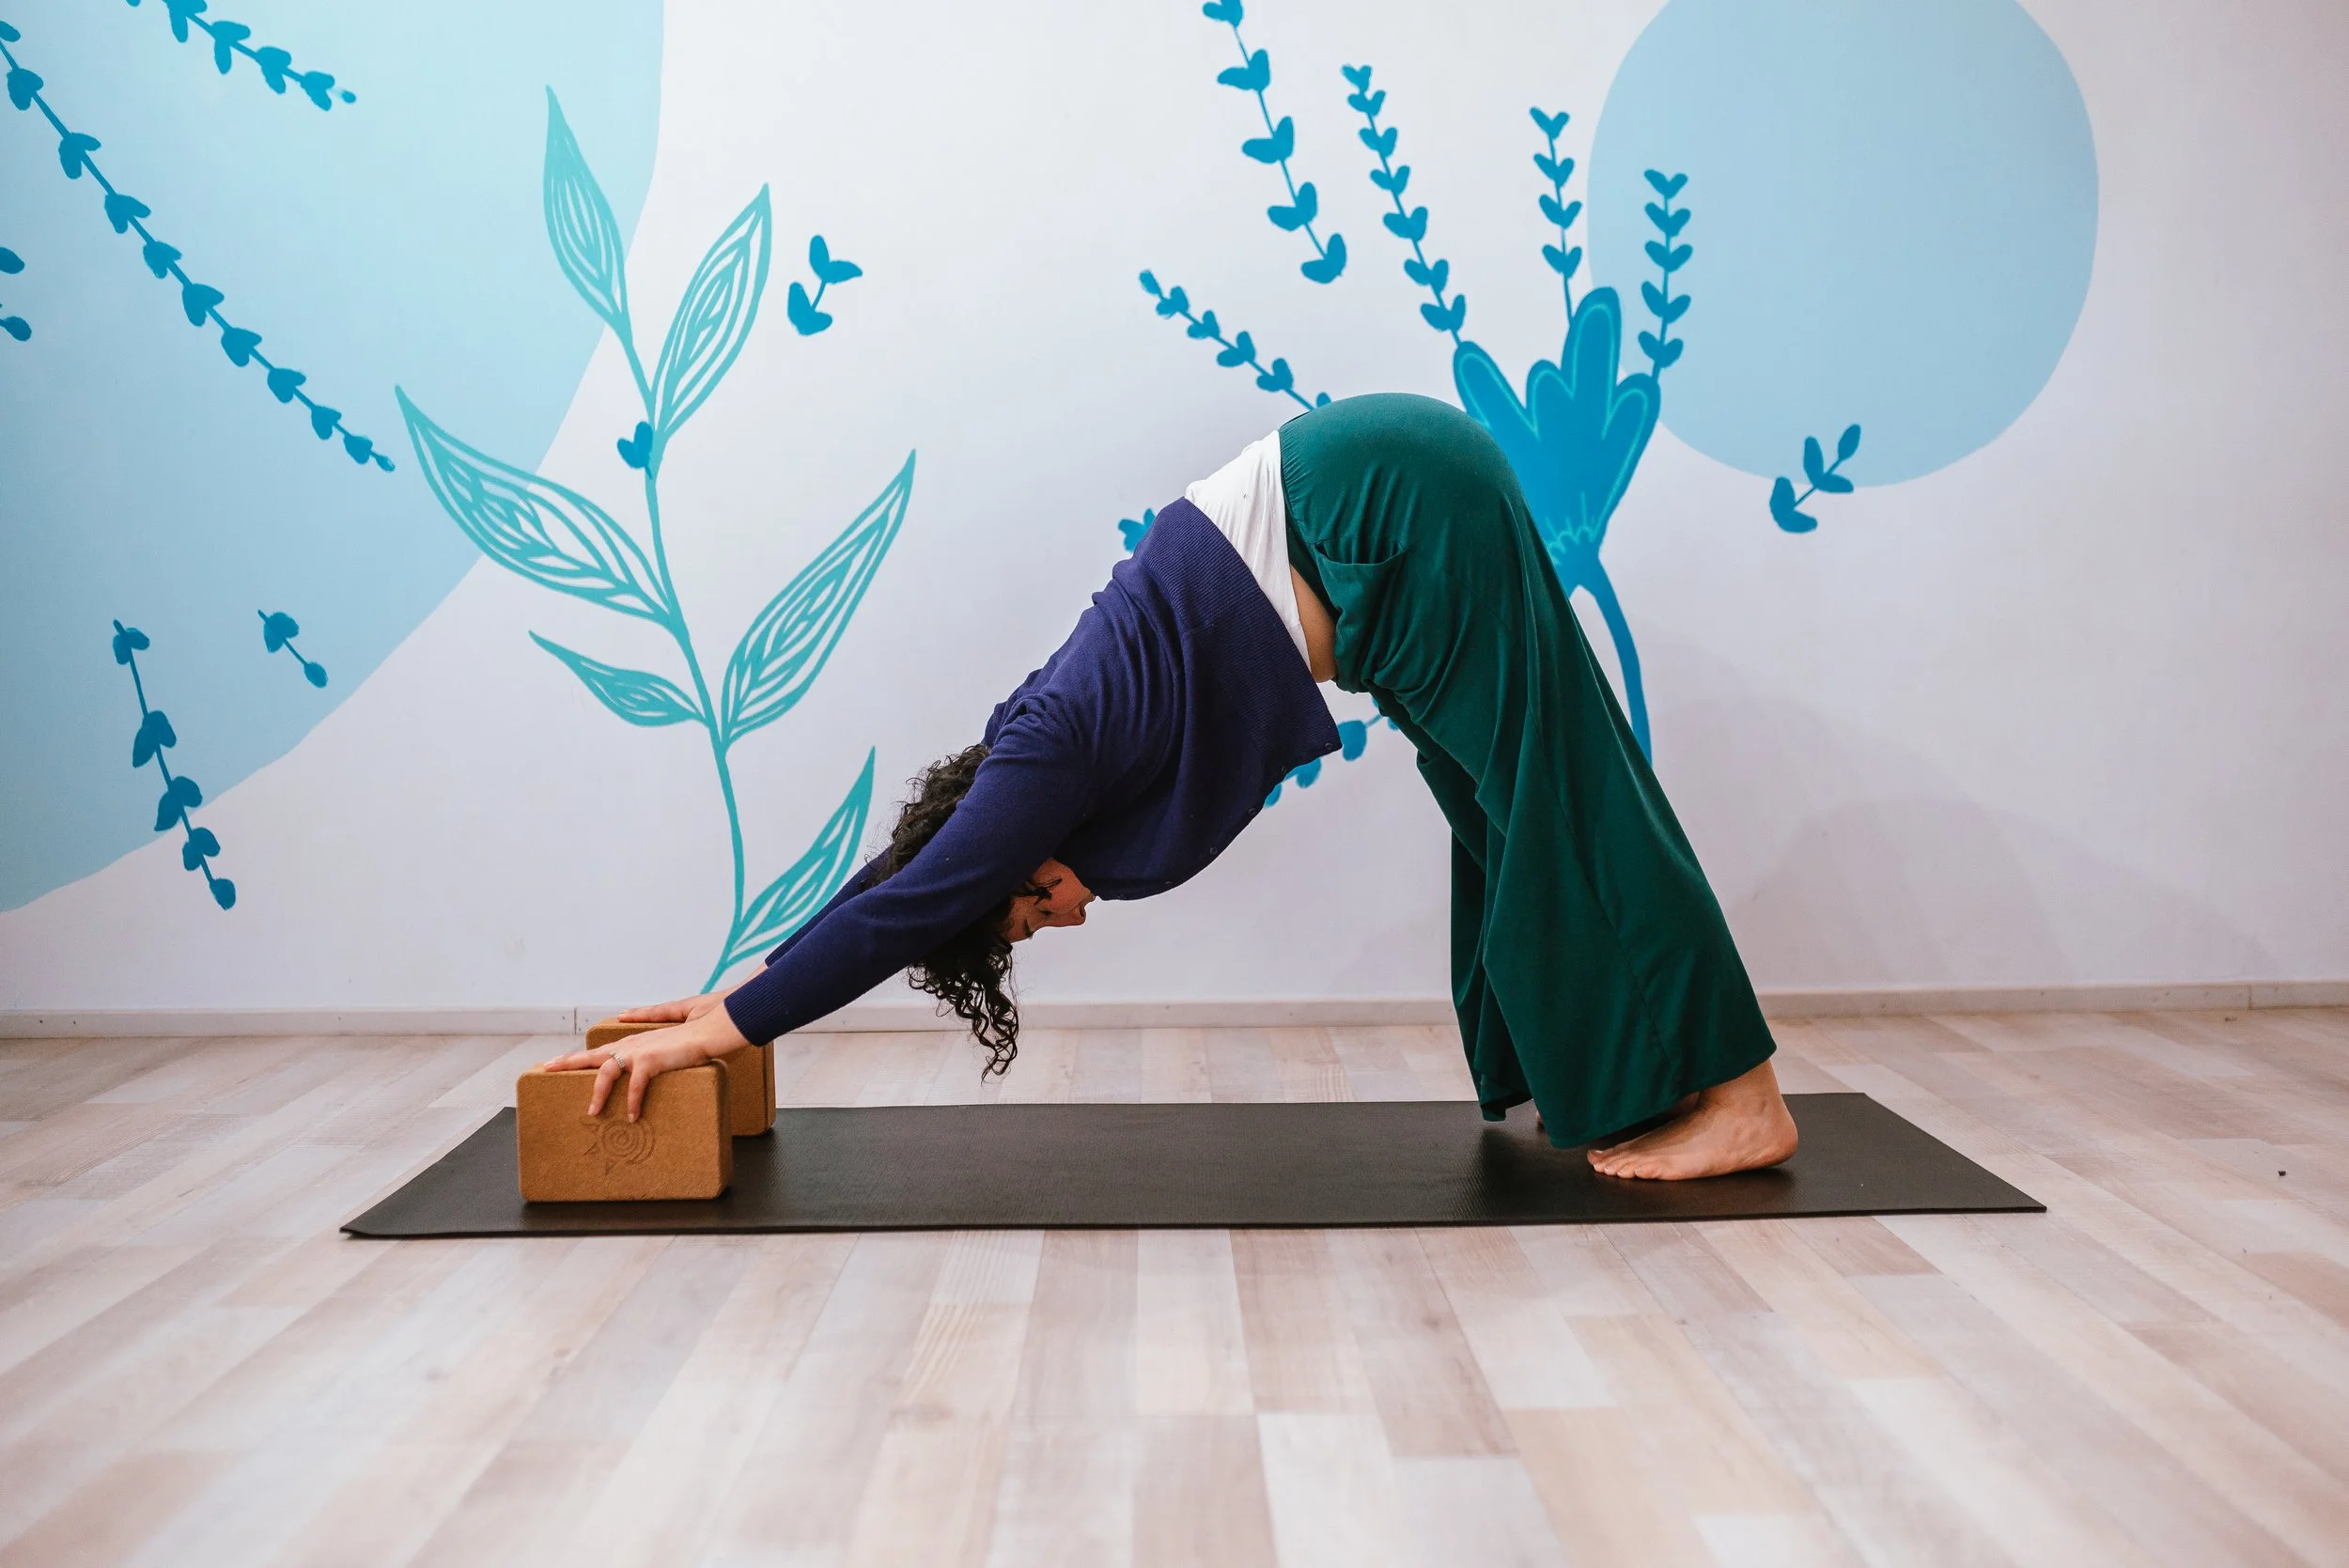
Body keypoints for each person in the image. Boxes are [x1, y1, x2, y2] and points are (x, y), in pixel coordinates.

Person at [539, 394, 1797, 1180]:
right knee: (1501, 807)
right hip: (1378, 533)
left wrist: (734, 1032)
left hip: (1393, 515)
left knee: (1562, 792)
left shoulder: (1049, 758)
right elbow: (907, 880)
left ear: (1019, 859)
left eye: (1031, 912)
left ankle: (1742, 1097)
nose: (1064, 916)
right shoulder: (1039, 749)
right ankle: (1616, 1079)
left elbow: (915, 907)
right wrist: (740, 981)